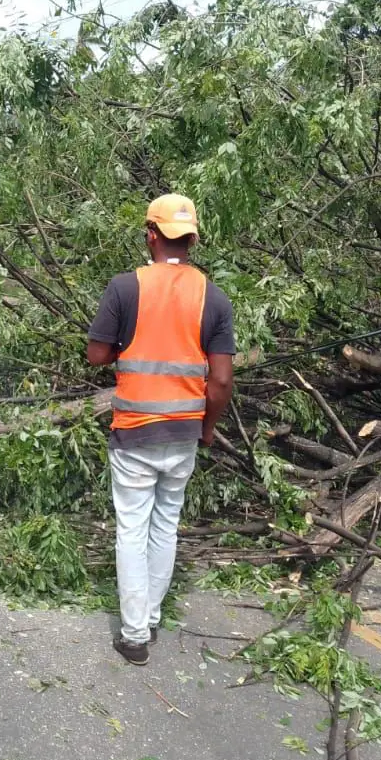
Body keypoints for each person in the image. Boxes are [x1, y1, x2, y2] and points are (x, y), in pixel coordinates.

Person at [86, 194, 236, 666]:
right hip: (183, 434)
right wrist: (207, 429)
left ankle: (134, 637)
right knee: (165, 527)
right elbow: (223, 380)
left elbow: (96, 355)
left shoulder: (124, 288)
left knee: (132, 530)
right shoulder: (213, 296)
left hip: (134, 432)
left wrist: (125, 344)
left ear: (151, 234)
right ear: (192, 238)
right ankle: (149, 619)